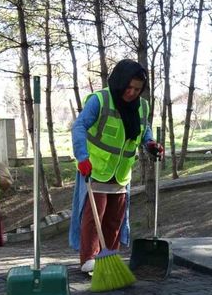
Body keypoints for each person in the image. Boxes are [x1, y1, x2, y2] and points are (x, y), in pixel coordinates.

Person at [68, 59, 163, 274]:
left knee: (115, 219)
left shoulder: (142, 106)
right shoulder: (100, 100)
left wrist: (150, 143)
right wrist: (82, 157)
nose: (132, 93)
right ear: (120, 82)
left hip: (121, 173)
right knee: (94, 216)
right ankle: (89, 260)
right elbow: (79, 127)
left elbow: (143, 128)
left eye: (137, 89)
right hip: (95, 169)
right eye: (128, 87)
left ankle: (109, 258)